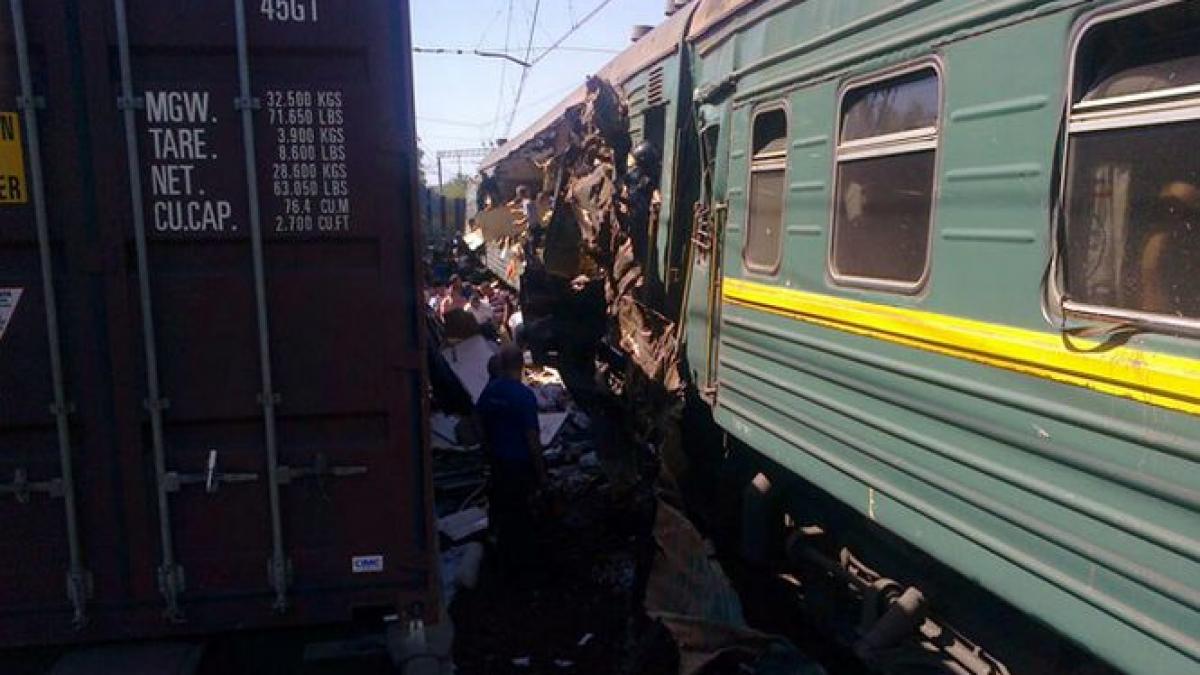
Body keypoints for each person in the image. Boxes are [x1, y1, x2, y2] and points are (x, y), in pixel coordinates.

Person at [475, 344, 545, 578]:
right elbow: (532, 439)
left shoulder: (490, 392)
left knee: (501, 514)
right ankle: (523, 569)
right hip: (519, 467)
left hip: (497, 465)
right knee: (522, 518)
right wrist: (541, 474)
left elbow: (479, 428)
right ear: (521, 366)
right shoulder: (524, 397)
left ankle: (499, 563)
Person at [1140, 180, 1200, 317]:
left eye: (1185, 212)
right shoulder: (1158, 246)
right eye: (1166, 209)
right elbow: (1152, 303)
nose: (1172, 216)